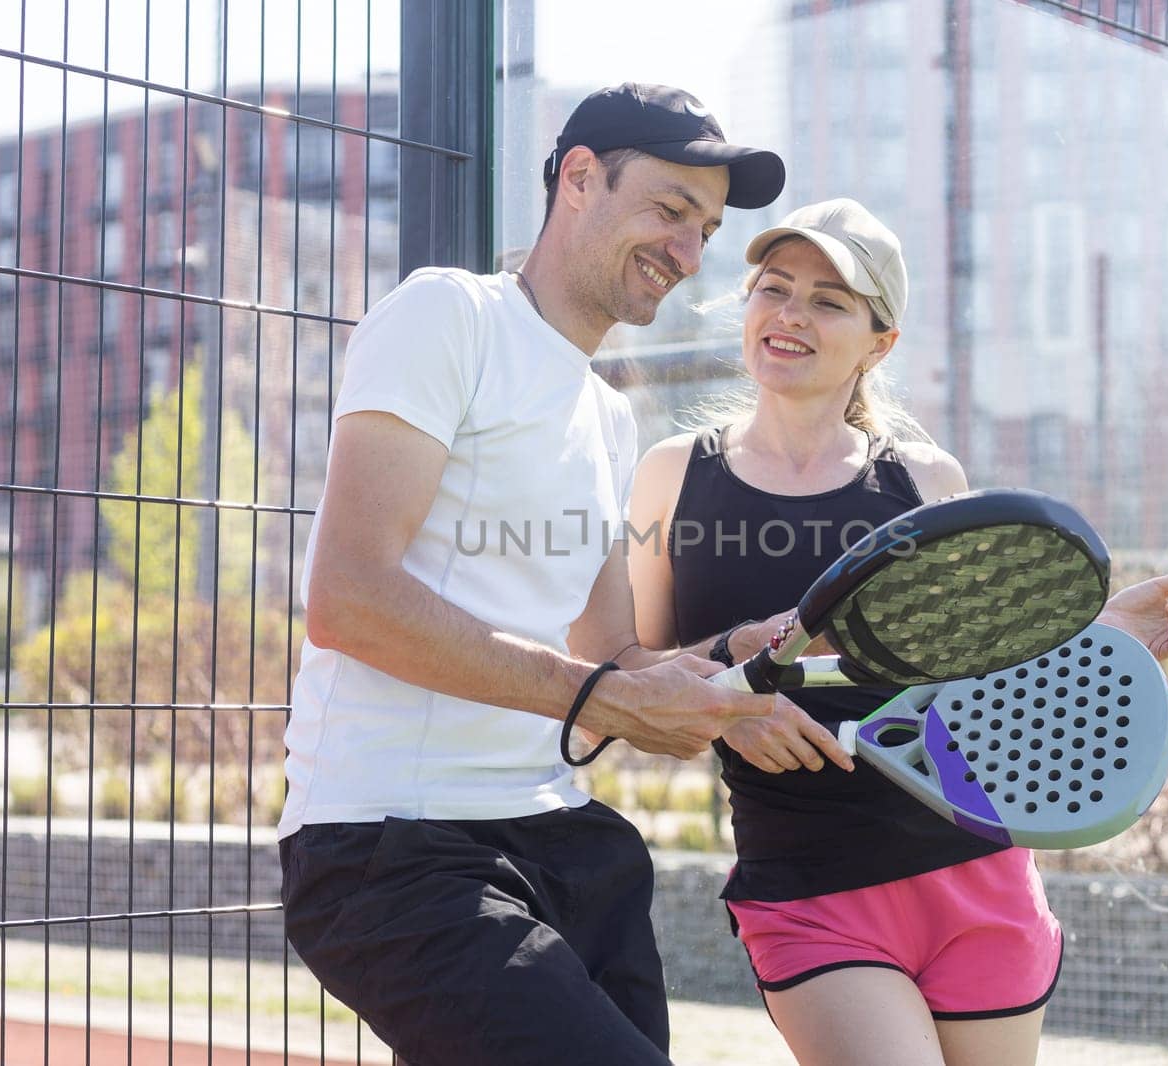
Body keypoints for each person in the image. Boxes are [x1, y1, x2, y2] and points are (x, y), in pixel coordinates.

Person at [627, 198, 1168, 1066]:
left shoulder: (924, 480)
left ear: (878, 342)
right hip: (810, 886)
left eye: (829, 300)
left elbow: (983, 672)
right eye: (774, 288)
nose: (791, 314)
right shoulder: (670, 478)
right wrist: (734, 691)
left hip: (974, 872)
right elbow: (631, 681)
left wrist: (1114, 627)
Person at [276, 83, 791, 1066]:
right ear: (579, 178)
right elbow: (348, 600)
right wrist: (605, 692)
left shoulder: (608, 416)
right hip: (391, 847)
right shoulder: (447, 317)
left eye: (706, 230)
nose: (689, 255)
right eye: (670, 212)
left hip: (561, 843)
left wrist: (728, 659)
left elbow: (611, 658)